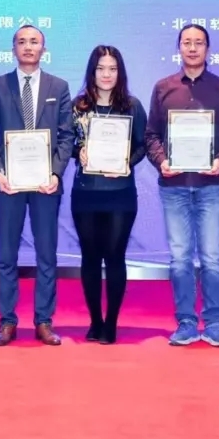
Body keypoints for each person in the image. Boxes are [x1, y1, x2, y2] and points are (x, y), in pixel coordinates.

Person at [144, 24, 219, 347]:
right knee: (180, 259)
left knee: (212, 258)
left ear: (207, 49)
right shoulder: (163, 88)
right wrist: (161, 161)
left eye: (198, 43)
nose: (192, 48)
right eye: (187, 42)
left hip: (212, 186)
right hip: (173, 187)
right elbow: (151, 135)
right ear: (179, 48)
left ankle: (214, 323)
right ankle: (186, 321)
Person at [0, 25, 75, 346]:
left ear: (43, 49)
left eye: (34, 41)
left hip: (45, 184)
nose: (28, 46)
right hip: (9, 184)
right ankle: (7, 321)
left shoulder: (58, 86)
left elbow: (66, 135)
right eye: (22, 42)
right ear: (13, 49)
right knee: (7, 254)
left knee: (46, 254)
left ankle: (44, 321)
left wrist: (56, 174)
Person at [70, 45, 147, 345]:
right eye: (101, 68)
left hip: (120, 194)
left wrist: (127, 162)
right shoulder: (78, 106)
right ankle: (95, 321)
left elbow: (142, 145)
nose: (106, 74)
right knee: (90, 257)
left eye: (112, 69)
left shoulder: (132, 106)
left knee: (115, 257)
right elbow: (67, 142)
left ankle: (111, 322)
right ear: (92, 72)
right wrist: (79, 151)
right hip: (86, 193)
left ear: (120, 72)